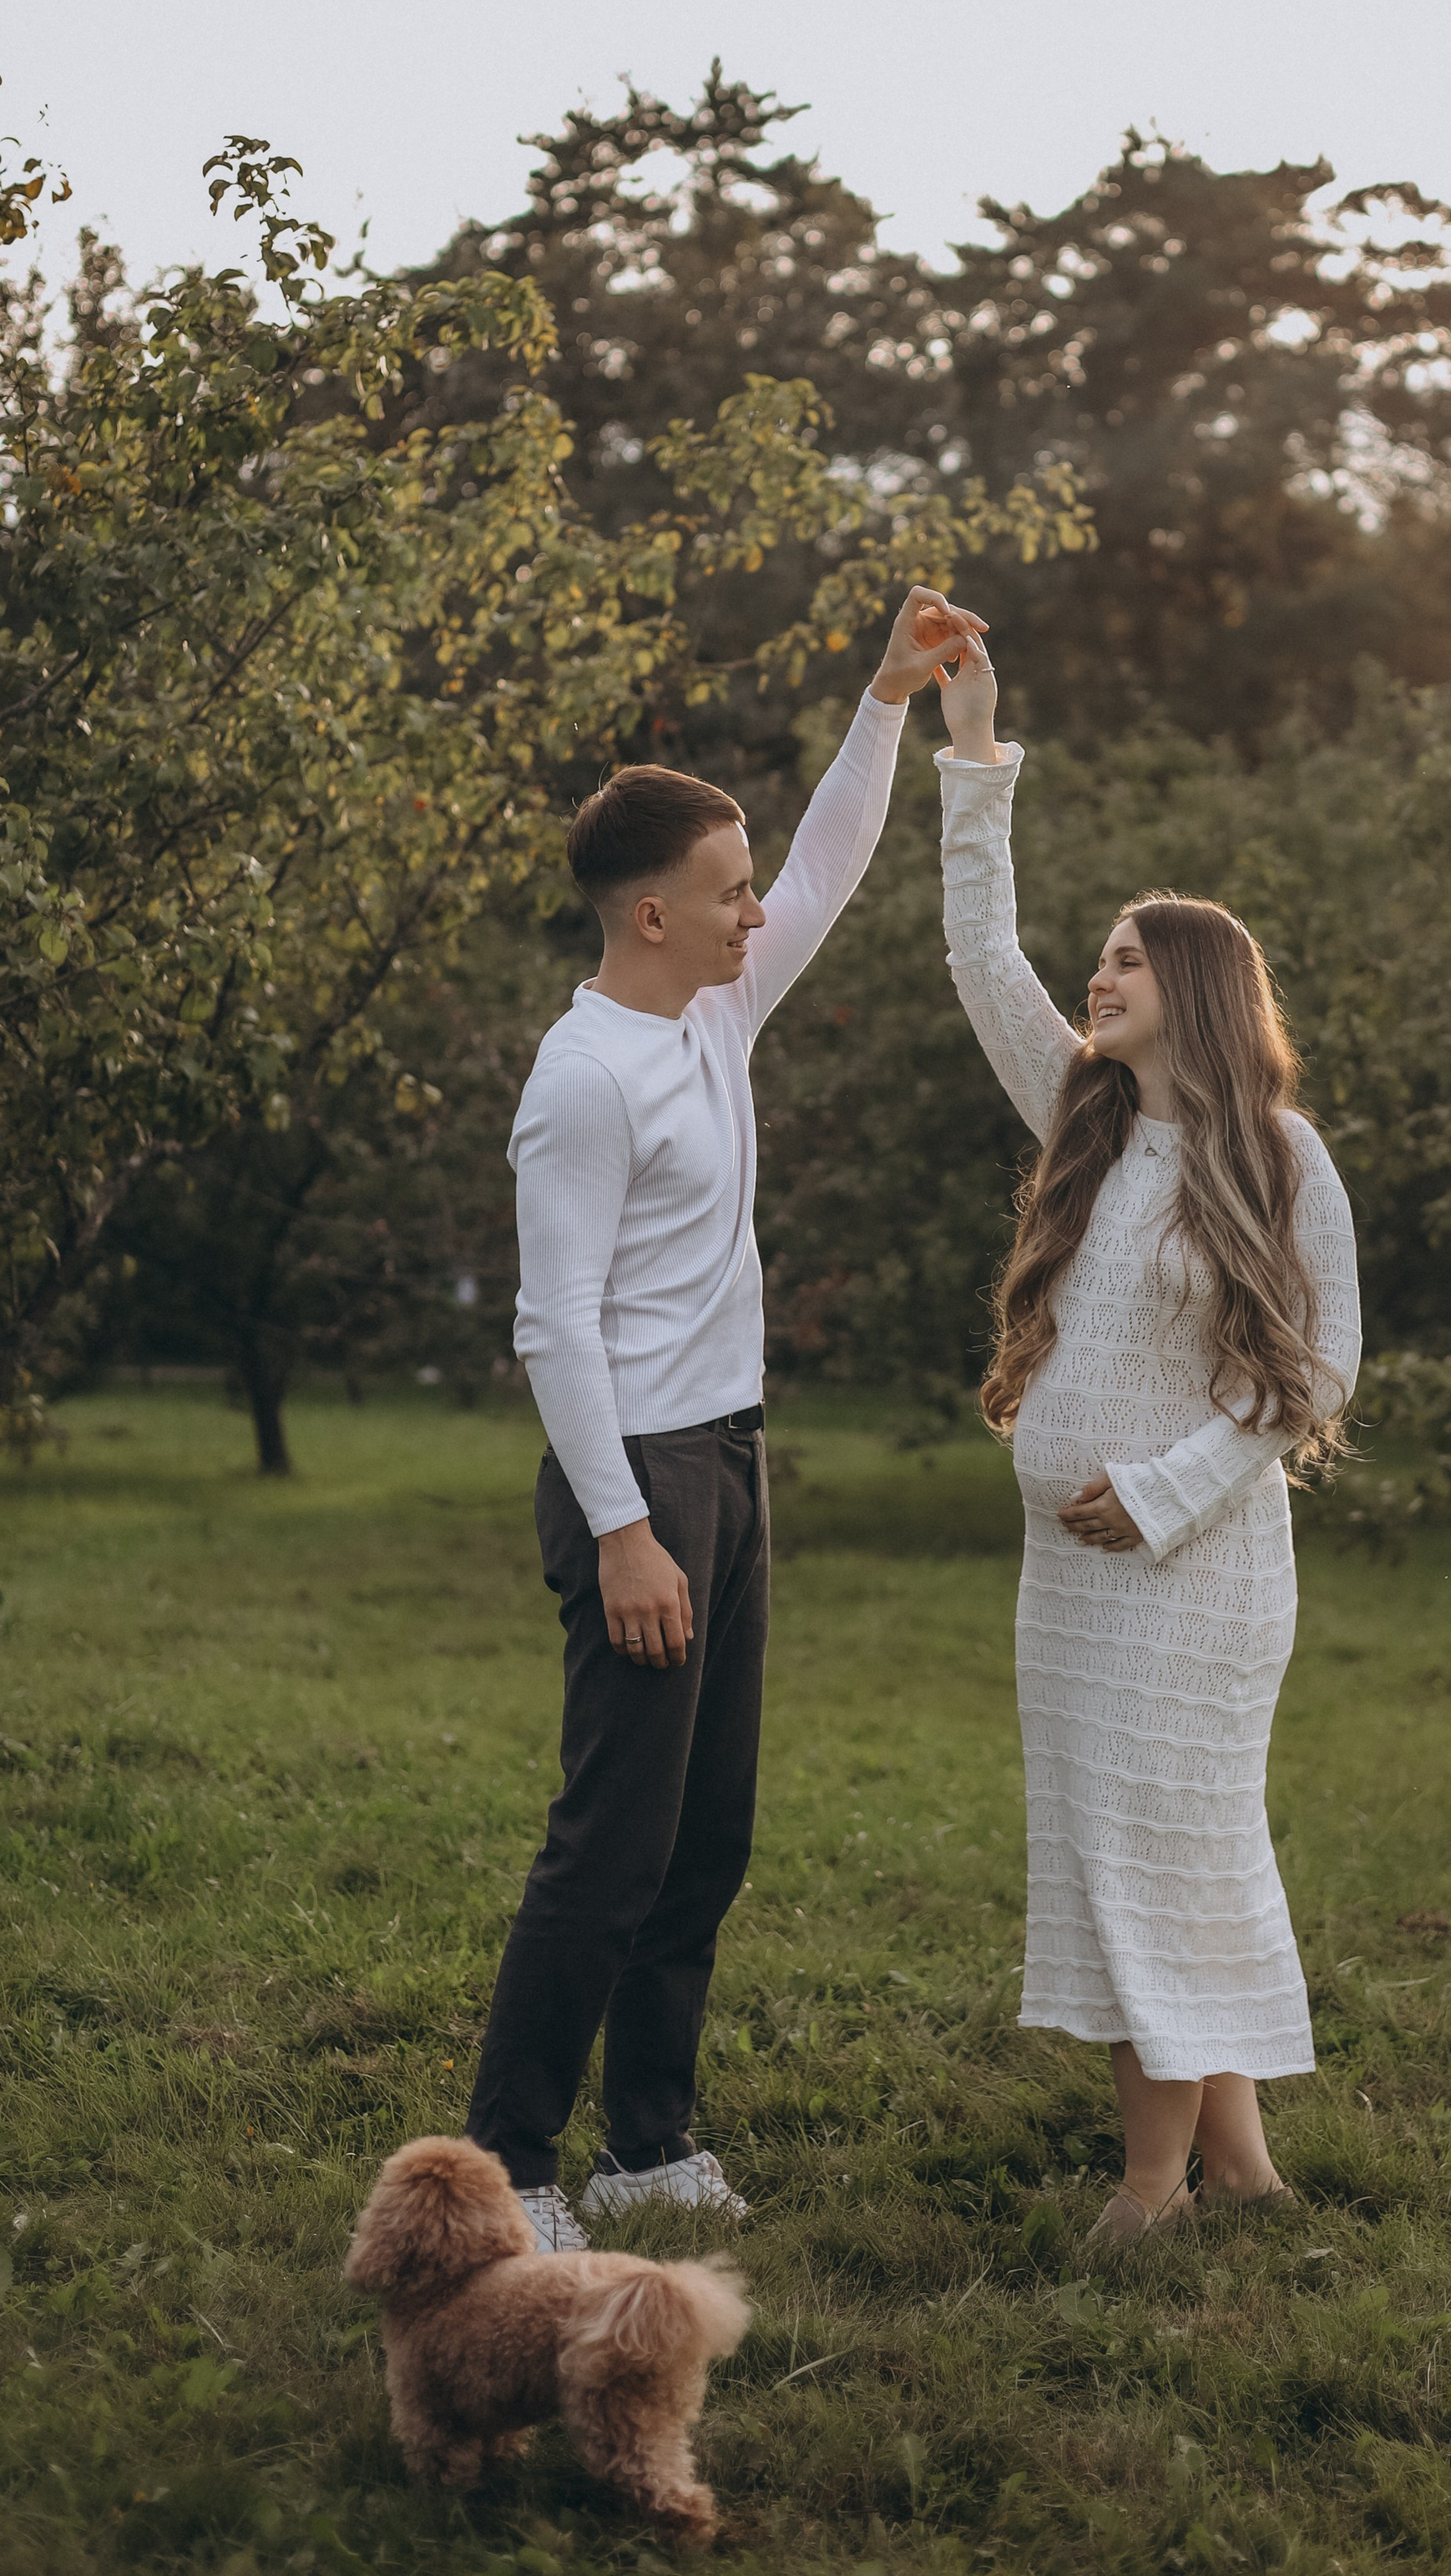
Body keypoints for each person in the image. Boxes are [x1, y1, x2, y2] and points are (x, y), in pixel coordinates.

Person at [464, 585, 987, 2252]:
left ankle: (649, 2145)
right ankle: (511, 2174)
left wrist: (886, 701)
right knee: (607, 1848)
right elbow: (554, 1326)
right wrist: (624, 1528)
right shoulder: (583, 1083)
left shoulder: (710, 1009)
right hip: (640, 1479)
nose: (756, 910)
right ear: (645, 919)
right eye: (724, 892)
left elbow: (830, 863)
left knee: (705, 1838)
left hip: (731, 1460)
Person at [933, 635, 1360, 2243]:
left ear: (1192, 985)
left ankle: (1150, 2185)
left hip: (1201, 1578)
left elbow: (1315, 1371)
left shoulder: (1282, 1158)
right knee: (1148, 1852)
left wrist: (1165, 1492)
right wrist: (978, 755)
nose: (1094, 978)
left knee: (1159, 1856)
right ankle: (1239, 2169)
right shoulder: (1087, 1124)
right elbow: (983, 953)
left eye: (1122, 958)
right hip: (1071, 1581)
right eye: (1097, 956)